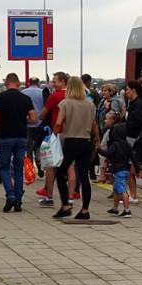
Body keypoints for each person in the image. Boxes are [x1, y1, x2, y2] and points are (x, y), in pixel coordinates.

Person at [52, 76, 99, 220]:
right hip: (85, 142)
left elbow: (59, 123)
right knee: (84, 176)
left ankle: (65, 205)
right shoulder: (90, 104)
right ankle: (85, 210)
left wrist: (53, 136)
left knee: (60, 173)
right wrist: (97, 139)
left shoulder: (65, 103)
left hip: (71, 142)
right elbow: (94, 124)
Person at [0, 73, 37, 212]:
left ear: (6, 83)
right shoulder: (25, 98)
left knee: (4, 168)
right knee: (18, 168)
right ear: (18, 84)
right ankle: (18, 200)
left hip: (5, 136)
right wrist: (23, 120)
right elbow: (33, 118)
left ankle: (10, 195)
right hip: (21, 136)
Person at [38, 72, 76, 207]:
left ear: (63, 82)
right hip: (73, 133)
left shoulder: (55, 96)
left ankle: (49, 197)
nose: (52, 84)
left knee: (51, 165)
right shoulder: (74, 96)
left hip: (58, 133)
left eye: (55, 81)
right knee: (71, 166)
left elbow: (43, 114)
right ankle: (70, 198)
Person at [100, 122, 137, 218]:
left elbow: (107, 153)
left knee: (122, 190)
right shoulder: (127, 145)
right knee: (116, 189)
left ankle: (127, 210)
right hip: (126, 170)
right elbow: (133, 157)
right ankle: (115, 209)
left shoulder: (115, 144)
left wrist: (98, 150)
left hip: (118, 170)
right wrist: (138, 169)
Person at [22, 77, 46, 178]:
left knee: (28, 147)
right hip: (39, 123)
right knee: (38, 146)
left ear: (29, 82)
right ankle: (39, 164)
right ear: (38, 83)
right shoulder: (42, 93)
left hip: (27, 123)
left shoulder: (23, 92)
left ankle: (30, 169)